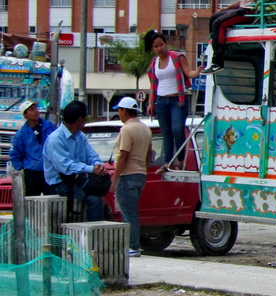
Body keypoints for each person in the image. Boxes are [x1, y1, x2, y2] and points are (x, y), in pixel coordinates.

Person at [44, 100, 108, 222]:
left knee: (101, 191)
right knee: (95, 201)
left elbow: (91, 155)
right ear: (79, 120)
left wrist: (98, 165)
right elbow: (65, 167)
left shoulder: (80, 136)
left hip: (78, 179)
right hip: (60, 183)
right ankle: (92, 234)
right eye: (85, 118)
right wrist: (91, 169)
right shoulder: (55, 139)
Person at [145, 30, 200, 169]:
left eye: (161, 45)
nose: (159, 48)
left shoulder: (177, 57)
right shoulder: (154, 62)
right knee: (166, 132)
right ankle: (167, 162)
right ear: (153, 48)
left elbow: (188, 73)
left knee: (177, 129)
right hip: (161, 101)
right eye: (156, 46)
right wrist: (151, 102)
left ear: (166, 43)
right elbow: (153, 84)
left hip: (178, 100)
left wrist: (197, 72)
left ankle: (180, 160)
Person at [110, 97, 152, 257]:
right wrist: (144, 169)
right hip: (140, 173)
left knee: (129, 212)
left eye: (119, 110)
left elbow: (123, 155)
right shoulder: (145, 128)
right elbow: (149, 154)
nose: (118, 114)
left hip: (128, 175)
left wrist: (115, 177)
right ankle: (128, 245)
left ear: (125, 111)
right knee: (129, 211)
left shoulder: (127, 130)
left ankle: (132, 246)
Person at [9, 100, 58, 196]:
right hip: (31, 174)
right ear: (25, 115)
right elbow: (14, 154)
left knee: (53, 200)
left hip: (50, 171)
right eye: (32, 109)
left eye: (36, 108)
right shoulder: (21, 134)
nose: (36, 111)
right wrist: (22, 169)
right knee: (31, 203)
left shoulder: (49, 126)